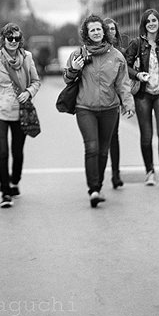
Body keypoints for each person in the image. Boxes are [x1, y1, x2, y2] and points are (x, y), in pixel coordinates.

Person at [64, 14, 134, 208]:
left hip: (110, 109)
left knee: (104, 150)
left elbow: (123, 84)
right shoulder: (79, 54)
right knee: (92, 147)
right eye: (91, 29)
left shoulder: (116, 56)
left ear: (104, 31)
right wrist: (73, 69)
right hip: (85, 107)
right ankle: (93, 189)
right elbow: (68, 79)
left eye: (98, 29)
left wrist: (128, 103)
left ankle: (99, 186)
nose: (96, 32)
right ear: (86, 33)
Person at [0, 23, 41, 208]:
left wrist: (29, 92)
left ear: (21, 40)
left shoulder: (27, 57)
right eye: (9, 38)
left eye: (16, 38)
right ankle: (5, 192)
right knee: (3, 152)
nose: (13, 42)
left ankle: (15, 181)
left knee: (17, 152)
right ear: (3, 39)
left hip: (21, 111)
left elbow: (36, 81)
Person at [124, 8, 159, 189]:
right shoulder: (136, 44)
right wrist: (137, 75)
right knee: (146, 136)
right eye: (148, 21)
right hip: (143, 95)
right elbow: (125, 66)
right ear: (144, 24)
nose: (151, 23)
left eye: (154, 20)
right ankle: (149, 171)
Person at [103, 17, 128, 189]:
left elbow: (125, 76)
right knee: (100, 140)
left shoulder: (120, 52)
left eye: (113, 29)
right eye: (108, 29)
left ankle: (116, 174)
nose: (111, 31)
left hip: (114, 102)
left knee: (114, 136)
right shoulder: (96, 50)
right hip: (96, 101)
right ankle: (97, 175)